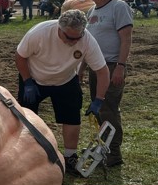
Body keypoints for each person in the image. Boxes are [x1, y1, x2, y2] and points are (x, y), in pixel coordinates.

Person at [15, 9, 110, 175]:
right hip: (34, 79)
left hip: (66, 80)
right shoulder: (39, 33)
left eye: (78, 37)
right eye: (69, 38)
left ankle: (70, 156)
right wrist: (27, 82)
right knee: (26, 118)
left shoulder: (87, 40)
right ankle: (26, 154)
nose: (74, 42)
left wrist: (99, 99)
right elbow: (20, 56)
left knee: (72, 117)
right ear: (59, 28)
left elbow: (102, 71)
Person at [84, 0, 133, 168]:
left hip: (111, 66)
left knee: (108, 109)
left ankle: (113, 153)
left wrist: (120, 66)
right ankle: (102, 147)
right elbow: (87, 43)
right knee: (97, 108)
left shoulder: (119, 7)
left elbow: (126, 39)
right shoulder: (91, 11)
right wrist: (81, 69)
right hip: (95, 68)